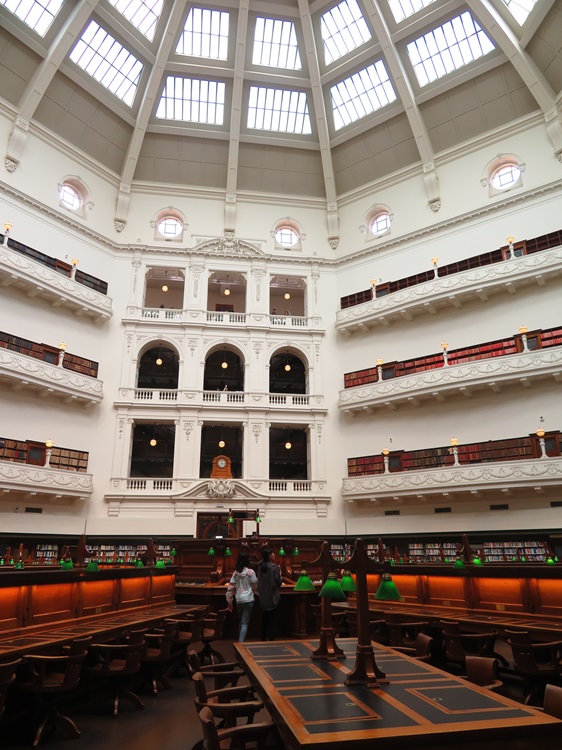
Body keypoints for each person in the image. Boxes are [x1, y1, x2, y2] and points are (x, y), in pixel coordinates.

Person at [225, 552, 257, 642]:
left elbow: (231, 587)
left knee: (241, 621)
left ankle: (240, 641)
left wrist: (229, 600)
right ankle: (241, 644)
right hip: (249, 599)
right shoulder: (251, 572)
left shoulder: (235, 573)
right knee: (244, 622)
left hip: (239, 599)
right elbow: (255, 586)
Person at [257, 547, 282, 641]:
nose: (274, 555)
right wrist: (280, 573)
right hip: (272, 597)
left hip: (263, 597)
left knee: (264, 619)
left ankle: (263, 638)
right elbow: (279, 582)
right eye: (272, 553)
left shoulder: (260, 567)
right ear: (269, 556)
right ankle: (271, 639)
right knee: (272, 619)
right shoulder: (274, 567)